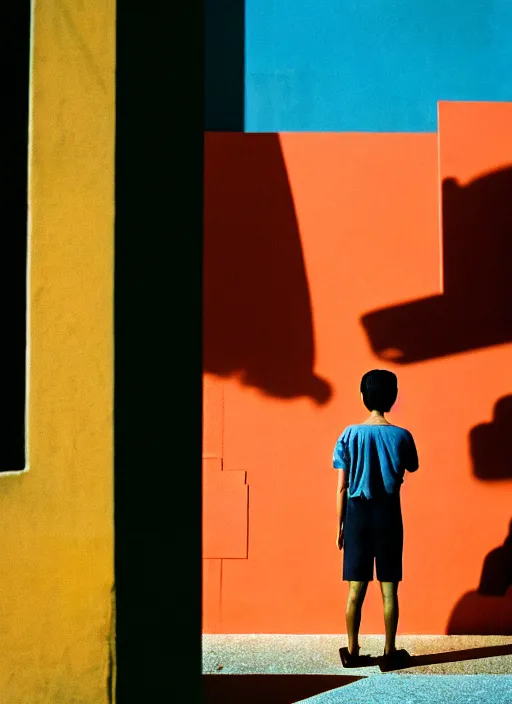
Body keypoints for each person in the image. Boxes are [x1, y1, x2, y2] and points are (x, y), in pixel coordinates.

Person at [333, 369, 419, 669]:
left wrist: (340, 524)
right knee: (389, 588)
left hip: (357, 514)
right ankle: (388, 650)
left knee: (355, 590)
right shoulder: (402, 436)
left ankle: (354, 650)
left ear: (362, 397)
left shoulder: (349, 434)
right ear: (393, 397)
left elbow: (342, 485)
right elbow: (412, 466)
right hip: (388, 514)